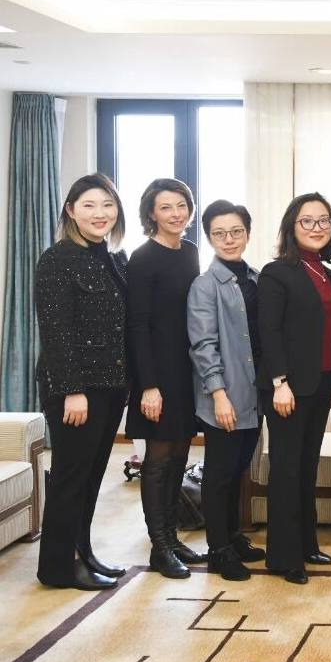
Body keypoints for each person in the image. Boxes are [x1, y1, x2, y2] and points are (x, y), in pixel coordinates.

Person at [34, 174, 130, 590]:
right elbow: (56, 331)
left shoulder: (111, 258)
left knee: (91, 476)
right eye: (89, 205)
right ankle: (58, 567)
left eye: (107, 204)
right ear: (71, 211)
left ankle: (82, 552)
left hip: (109, 386)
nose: (100, 213)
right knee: (70, 478)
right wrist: (72, 390)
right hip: (76, 390)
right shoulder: (57, 259)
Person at [257, 193, 331, 585]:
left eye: (324, 220)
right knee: (287, 469)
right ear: (292, 227)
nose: (317, 227)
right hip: (287, 388)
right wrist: (280, 382)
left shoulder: (327, 273)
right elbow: (269, 332)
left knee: (307, 468)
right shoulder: (277, 273)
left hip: (321, 383)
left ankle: (307, 544)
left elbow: (330, 332)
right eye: (307, 221)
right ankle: (283, 557)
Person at [126, 178, 202, 579]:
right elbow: (137, 325)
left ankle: (172, 538)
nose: (175, 214)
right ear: (151, 214)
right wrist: (148, 386)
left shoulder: (190, 252)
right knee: (157, 458)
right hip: (156, 372)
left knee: (180, 455)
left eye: (181, 206)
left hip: (186, 369)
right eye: (165, 207)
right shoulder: (143, 257)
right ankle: (159, 547)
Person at [187, 200, 267, 582]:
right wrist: (218, 395)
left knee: (238, 471)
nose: (229, 239)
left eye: (236, 231)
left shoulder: (256, 278)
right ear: (209, 238)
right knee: (219, 475)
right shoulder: (204, 286)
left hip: (254, 396)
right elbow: (203, 345)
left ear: (247, 234)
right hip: (224, 396)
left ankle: (234, 538)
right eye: (219, 233)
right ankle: (218, 550)